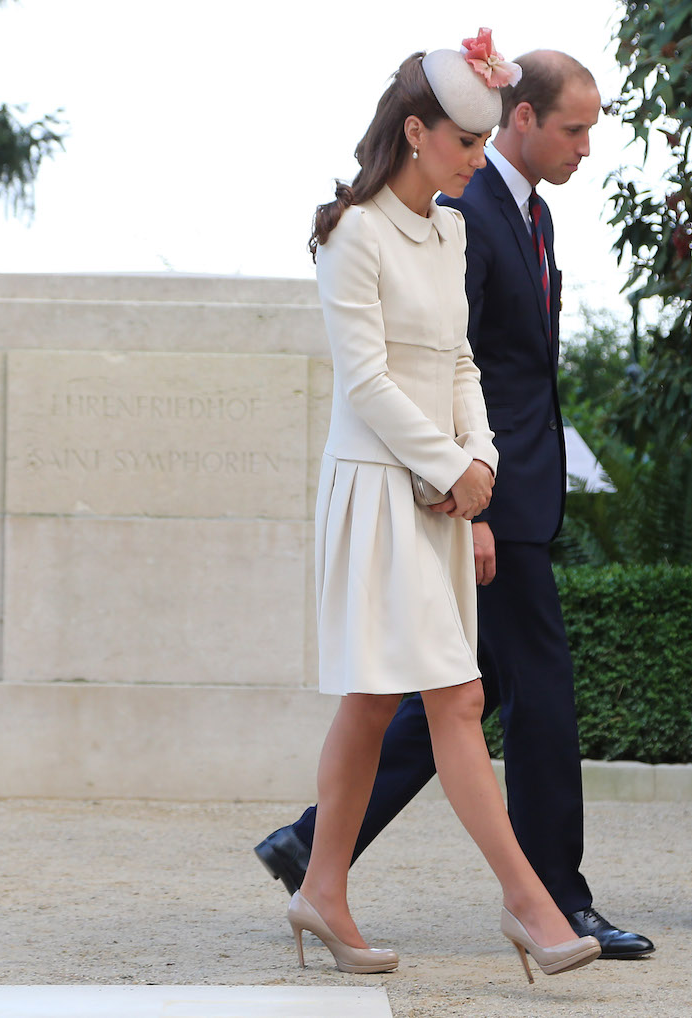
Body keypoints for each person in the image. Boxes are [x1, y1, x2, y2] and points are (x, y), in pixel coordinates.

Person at [256, 49, 654, 961]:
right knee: (455, 697)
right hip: (379, 491)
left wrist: (480, 462)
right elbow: (365, 381)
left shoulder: (450, 229)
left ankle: (320, 885)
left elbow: (463, 364)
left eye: (483, 141)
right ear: (415, 132)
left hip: (442, 489)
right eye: (467, 140)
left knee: (377, 704)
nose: (478, 158)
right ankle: (532, 905)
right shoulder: (352, 233)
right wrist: (454, 473)